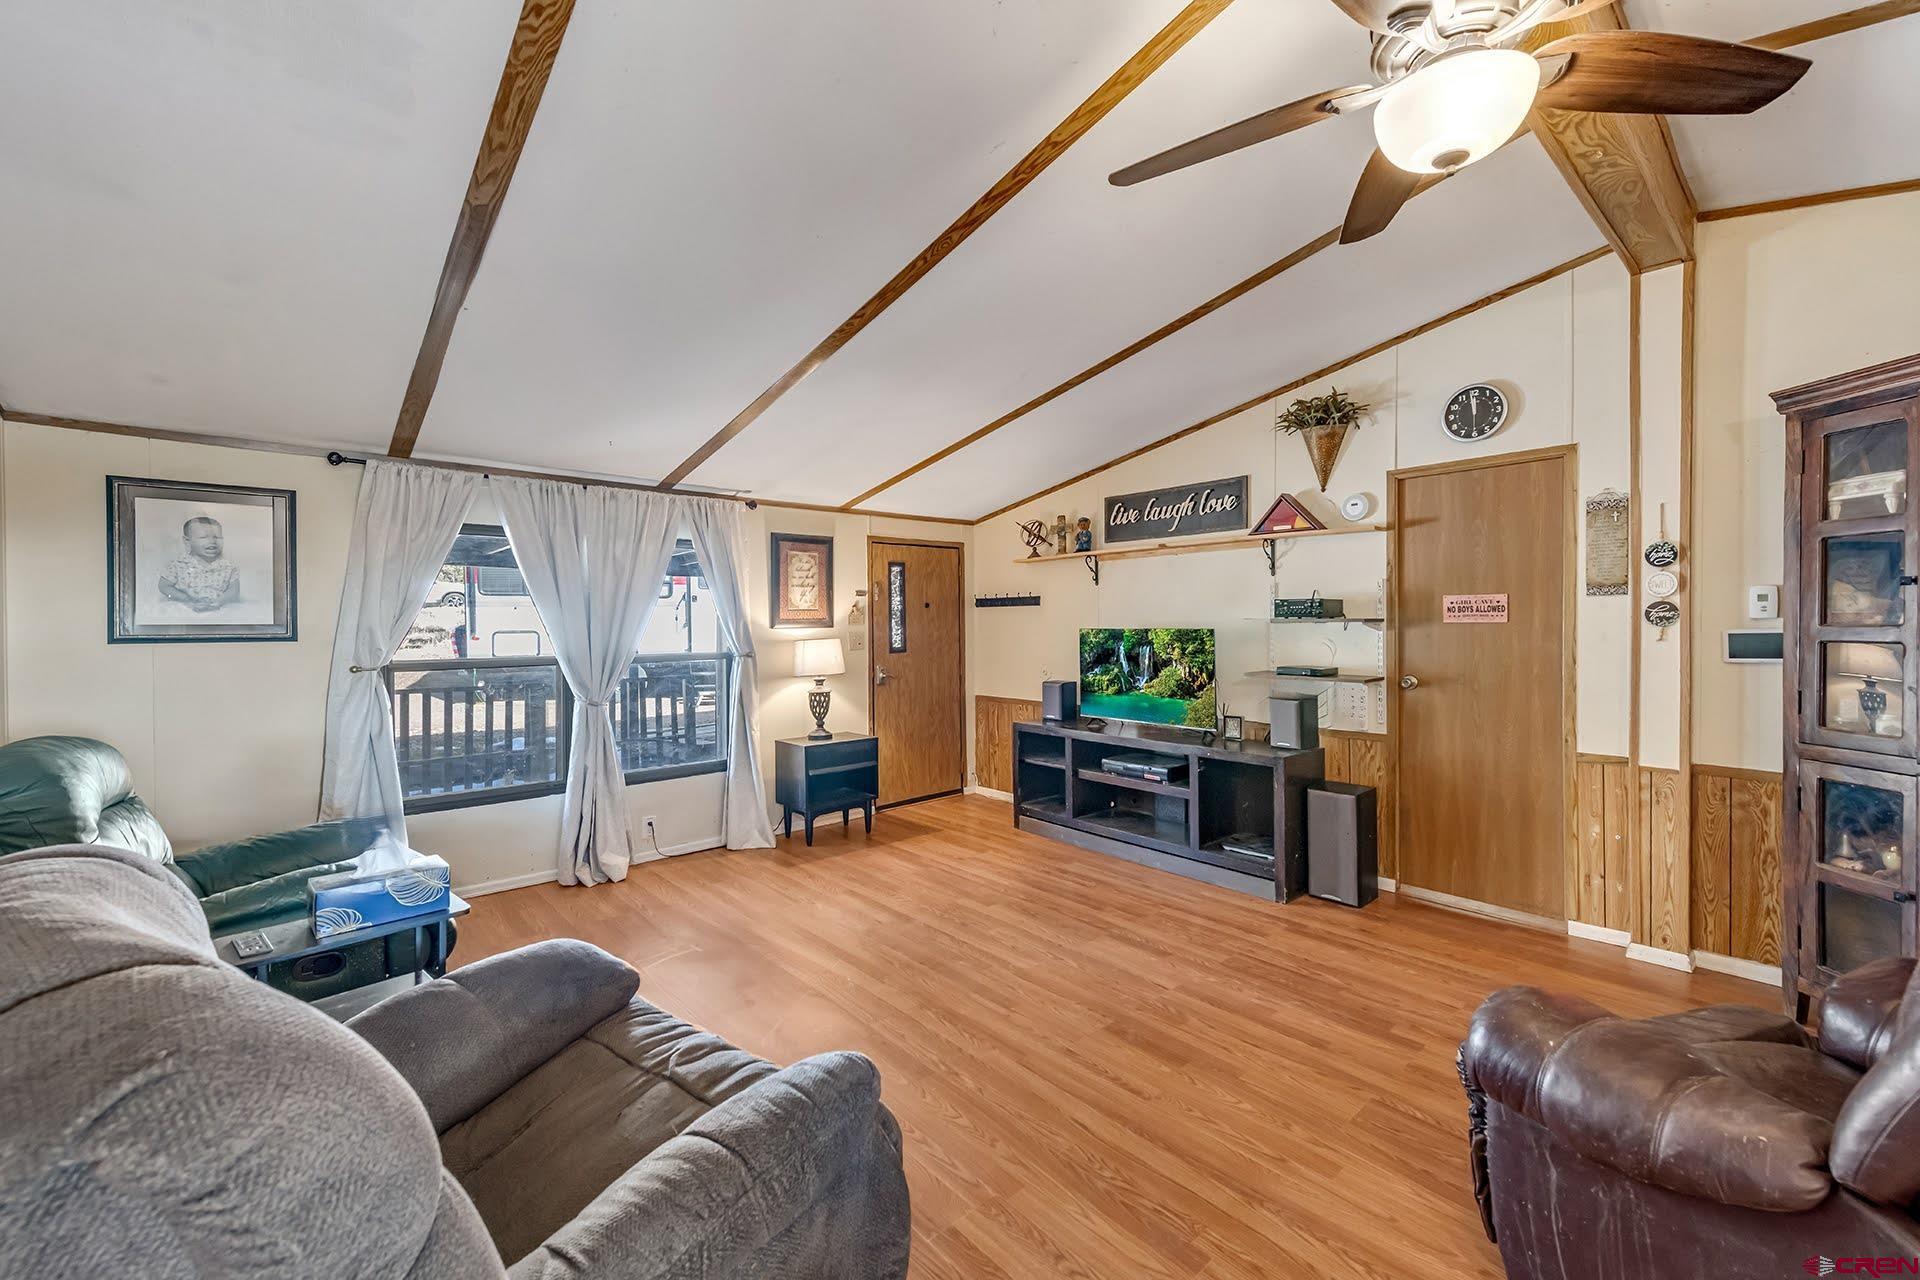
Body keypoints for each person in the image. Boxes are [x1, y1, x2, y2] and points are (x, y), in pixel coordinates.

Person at [158, 515, 239, 612]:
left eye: (217, 537)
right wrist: (185, 599)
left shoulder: (228, 567)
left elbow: (234, 590)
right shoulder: (178, 565)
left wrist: (219, 601)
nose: (212, 541)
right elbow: (164, 586)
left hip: (218, 608)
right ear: (187, 541)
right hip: (184, 608)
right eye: (203, 537)